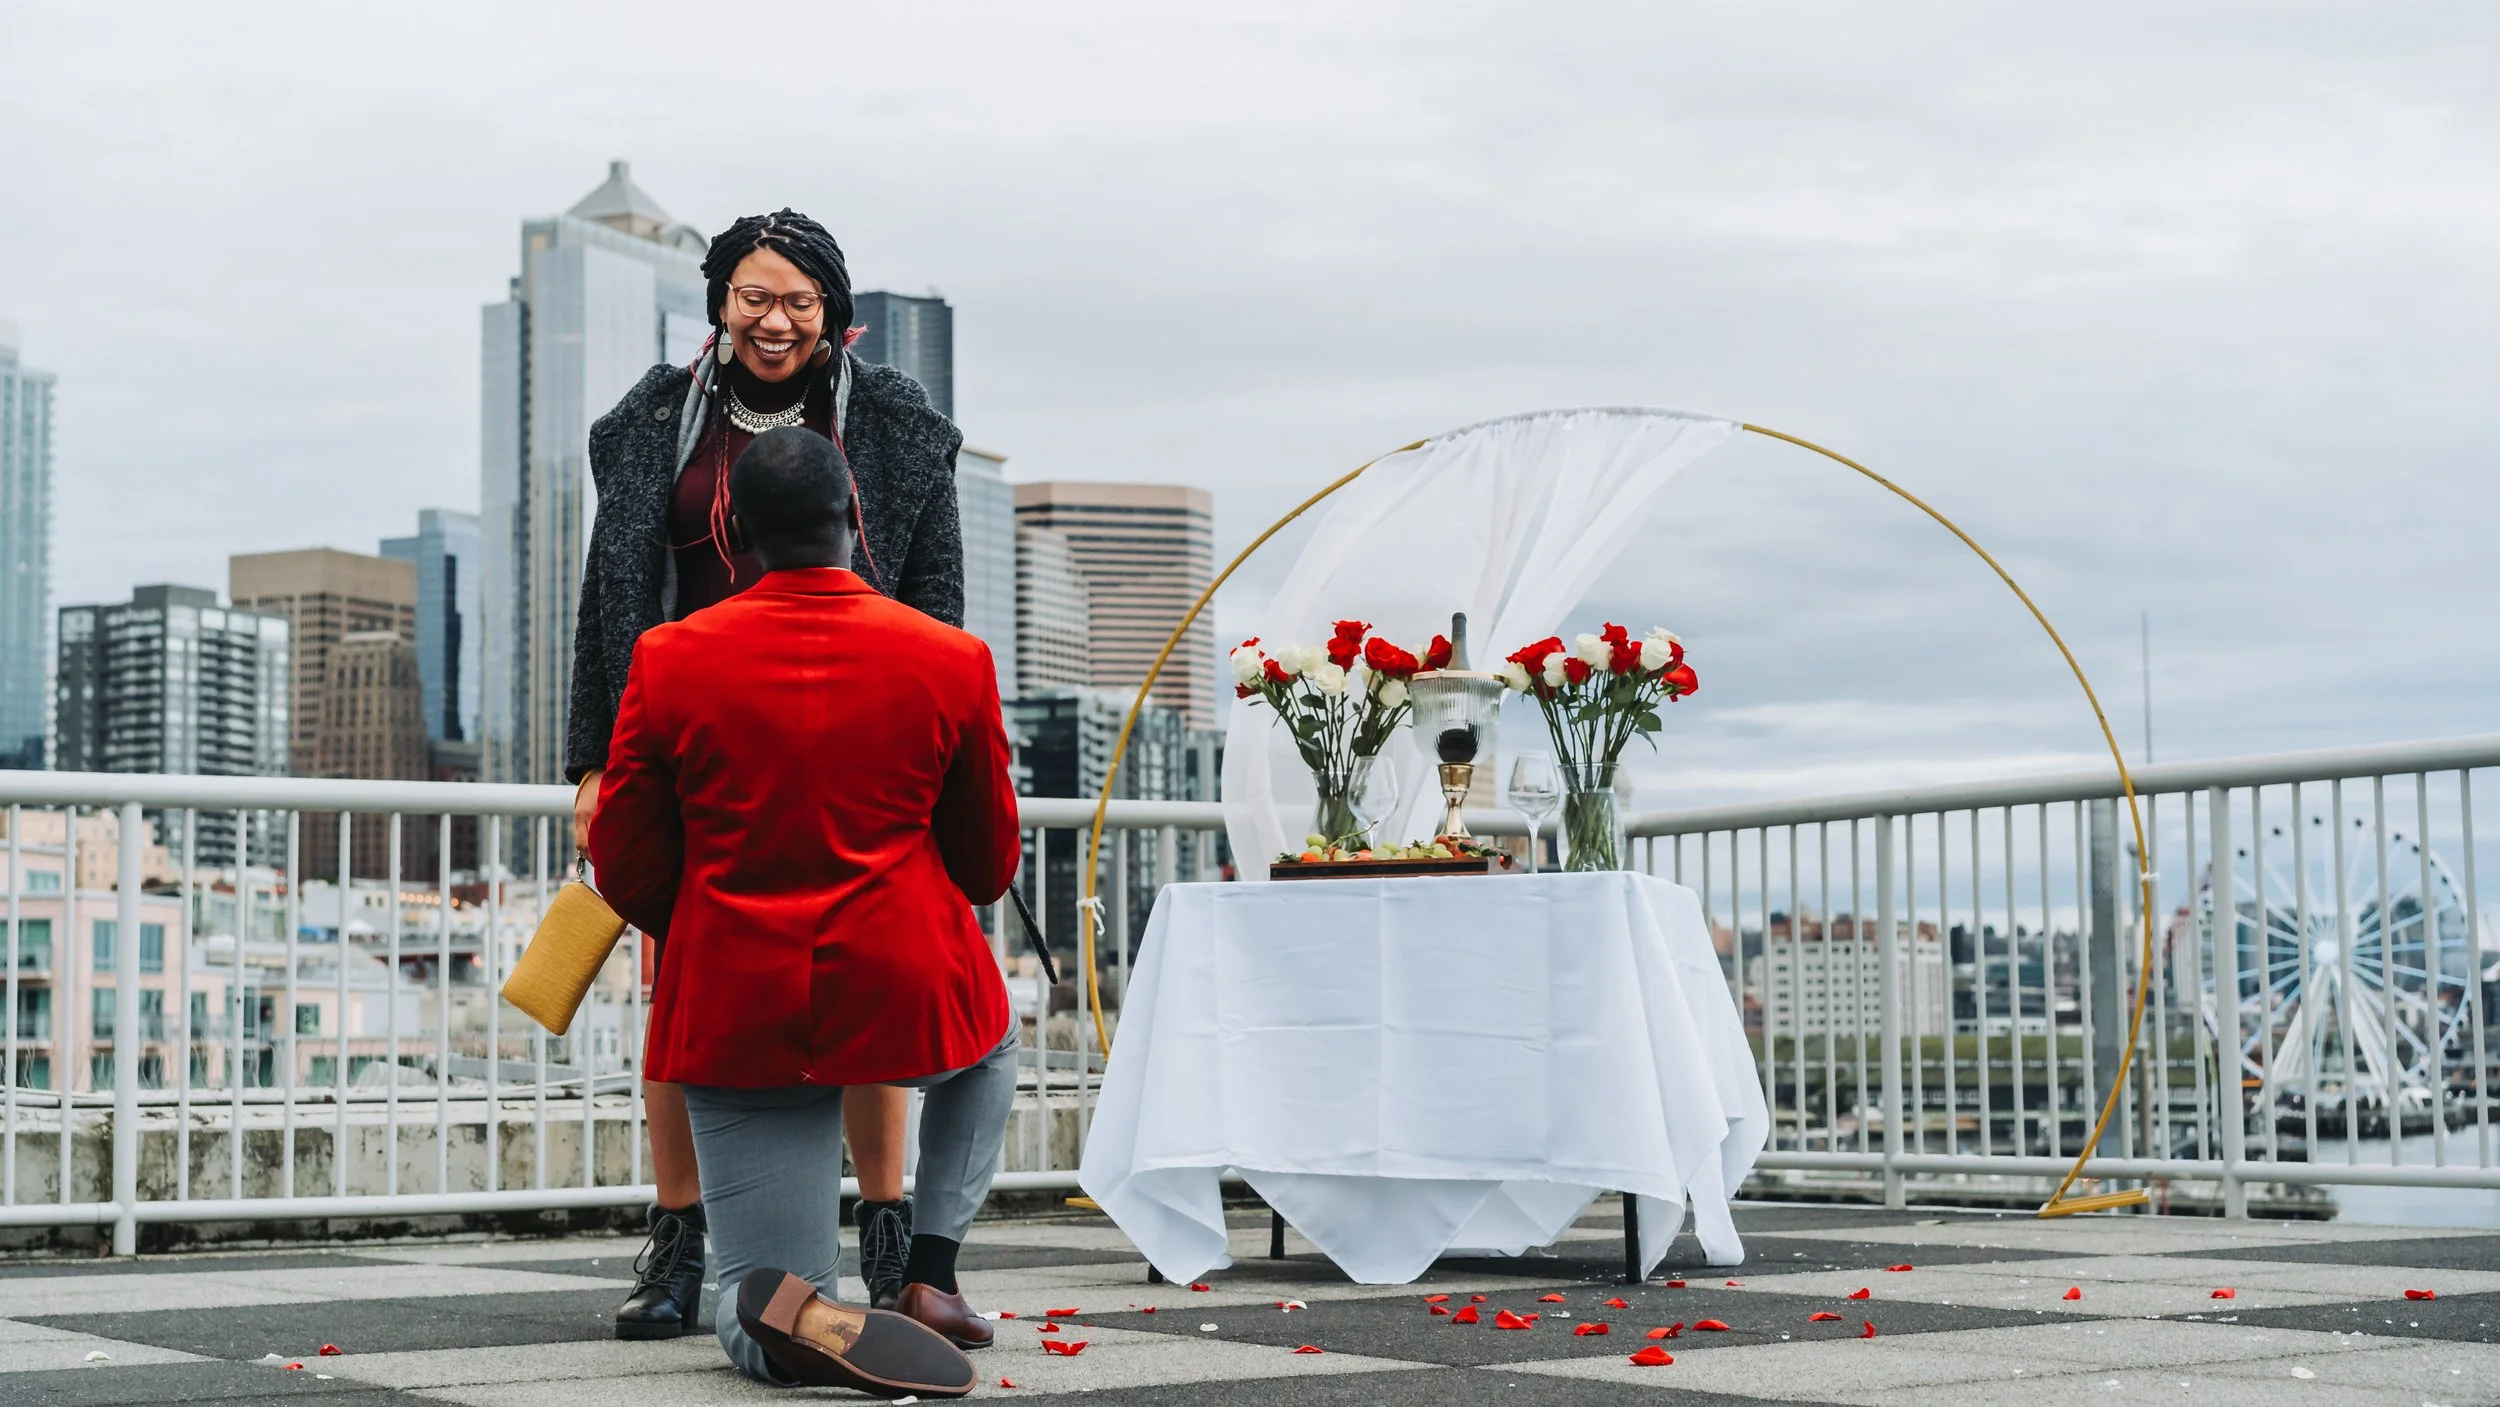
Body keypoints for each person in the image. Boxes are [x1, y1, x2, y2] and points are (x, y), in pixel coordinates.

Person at [568, 208, 966, 1338]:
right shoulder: (652, 422)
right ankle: (678, 1241)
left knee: (874, 980)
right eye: (753, 296)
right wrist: (593, 760)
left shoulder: (892, 422)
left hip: (858, 739)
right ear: (718, 303)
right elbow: (611, 596)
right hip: (699, 735)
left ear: (833, 312)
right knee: (679, 994)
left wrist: (933, 741)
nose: (775, 319)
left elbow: (936, 595)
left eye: (798, 299)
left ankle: (888, 1236)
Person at [589, 426, 1019, 1394]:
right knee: (991, 1044)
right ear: (855, 520)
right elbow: (988, 866)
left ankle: (801, 1313)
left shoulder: (667, 660)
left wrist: (706, 915)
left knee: (754, 1303)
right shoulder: (951, 660)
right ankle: (929, 1274)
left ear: (734, 531)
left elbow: (621, 859)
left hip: (740, 1007)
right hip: (901, 992)